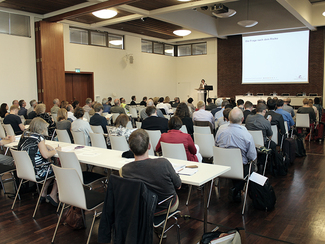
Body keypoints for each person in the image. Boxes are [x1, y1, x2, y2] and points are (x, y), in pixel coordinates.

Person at [120, 129, 181, 215]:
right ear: (149, 146)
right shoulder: (163, 163)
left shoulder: (124, 170)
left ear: (130, 149)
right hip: (167, 206)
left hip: (140, 208)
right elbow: (178, 185)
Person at [215, 108, 257, 202]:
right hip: (240, 169)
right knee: (250, 166)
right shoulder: (246, 135)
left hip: (221, 167)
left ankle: (236, 189)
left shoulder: (220, 130)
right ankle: (237, 189)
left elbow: (216, 145)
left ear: (228, 118)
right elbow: (252, 157)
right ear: (242, 119)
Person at [18, 117, 60, 206]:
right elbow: (46, 155)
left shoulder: (25, 134)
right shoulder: (39, 137)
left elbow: (33, 147)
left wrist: (45, 145)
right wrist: (56, 150)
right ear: (41, 128)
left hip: (24, 170)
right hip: (36, 171)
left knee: (49, 168)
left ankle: (43, 193)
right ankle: (53, 194)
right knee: (58, 170)